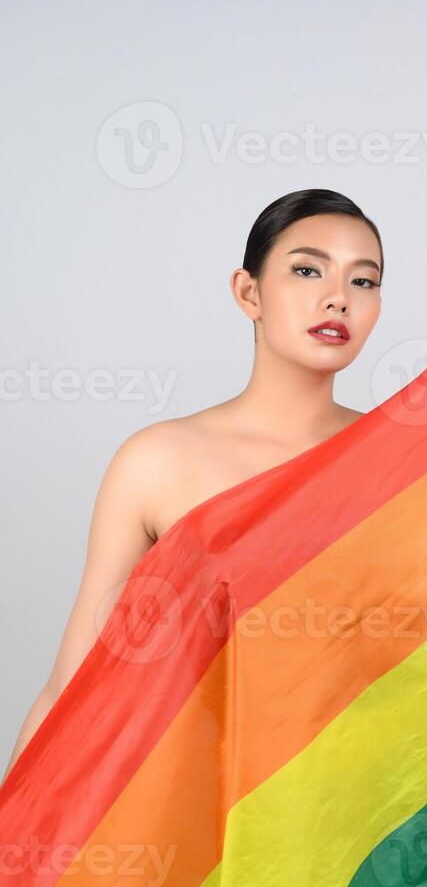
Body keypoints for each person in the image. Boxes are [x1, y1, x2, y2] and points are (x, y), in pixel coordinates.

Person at [1, 187, 384, 785]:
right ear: (248, 292)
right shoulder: (158, 462)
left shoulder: (395, 456)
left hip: (364, 798)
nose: (338, 298)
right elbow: (72, 685)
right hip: (202, 804)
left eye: (364, 281)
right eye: (307, 270)